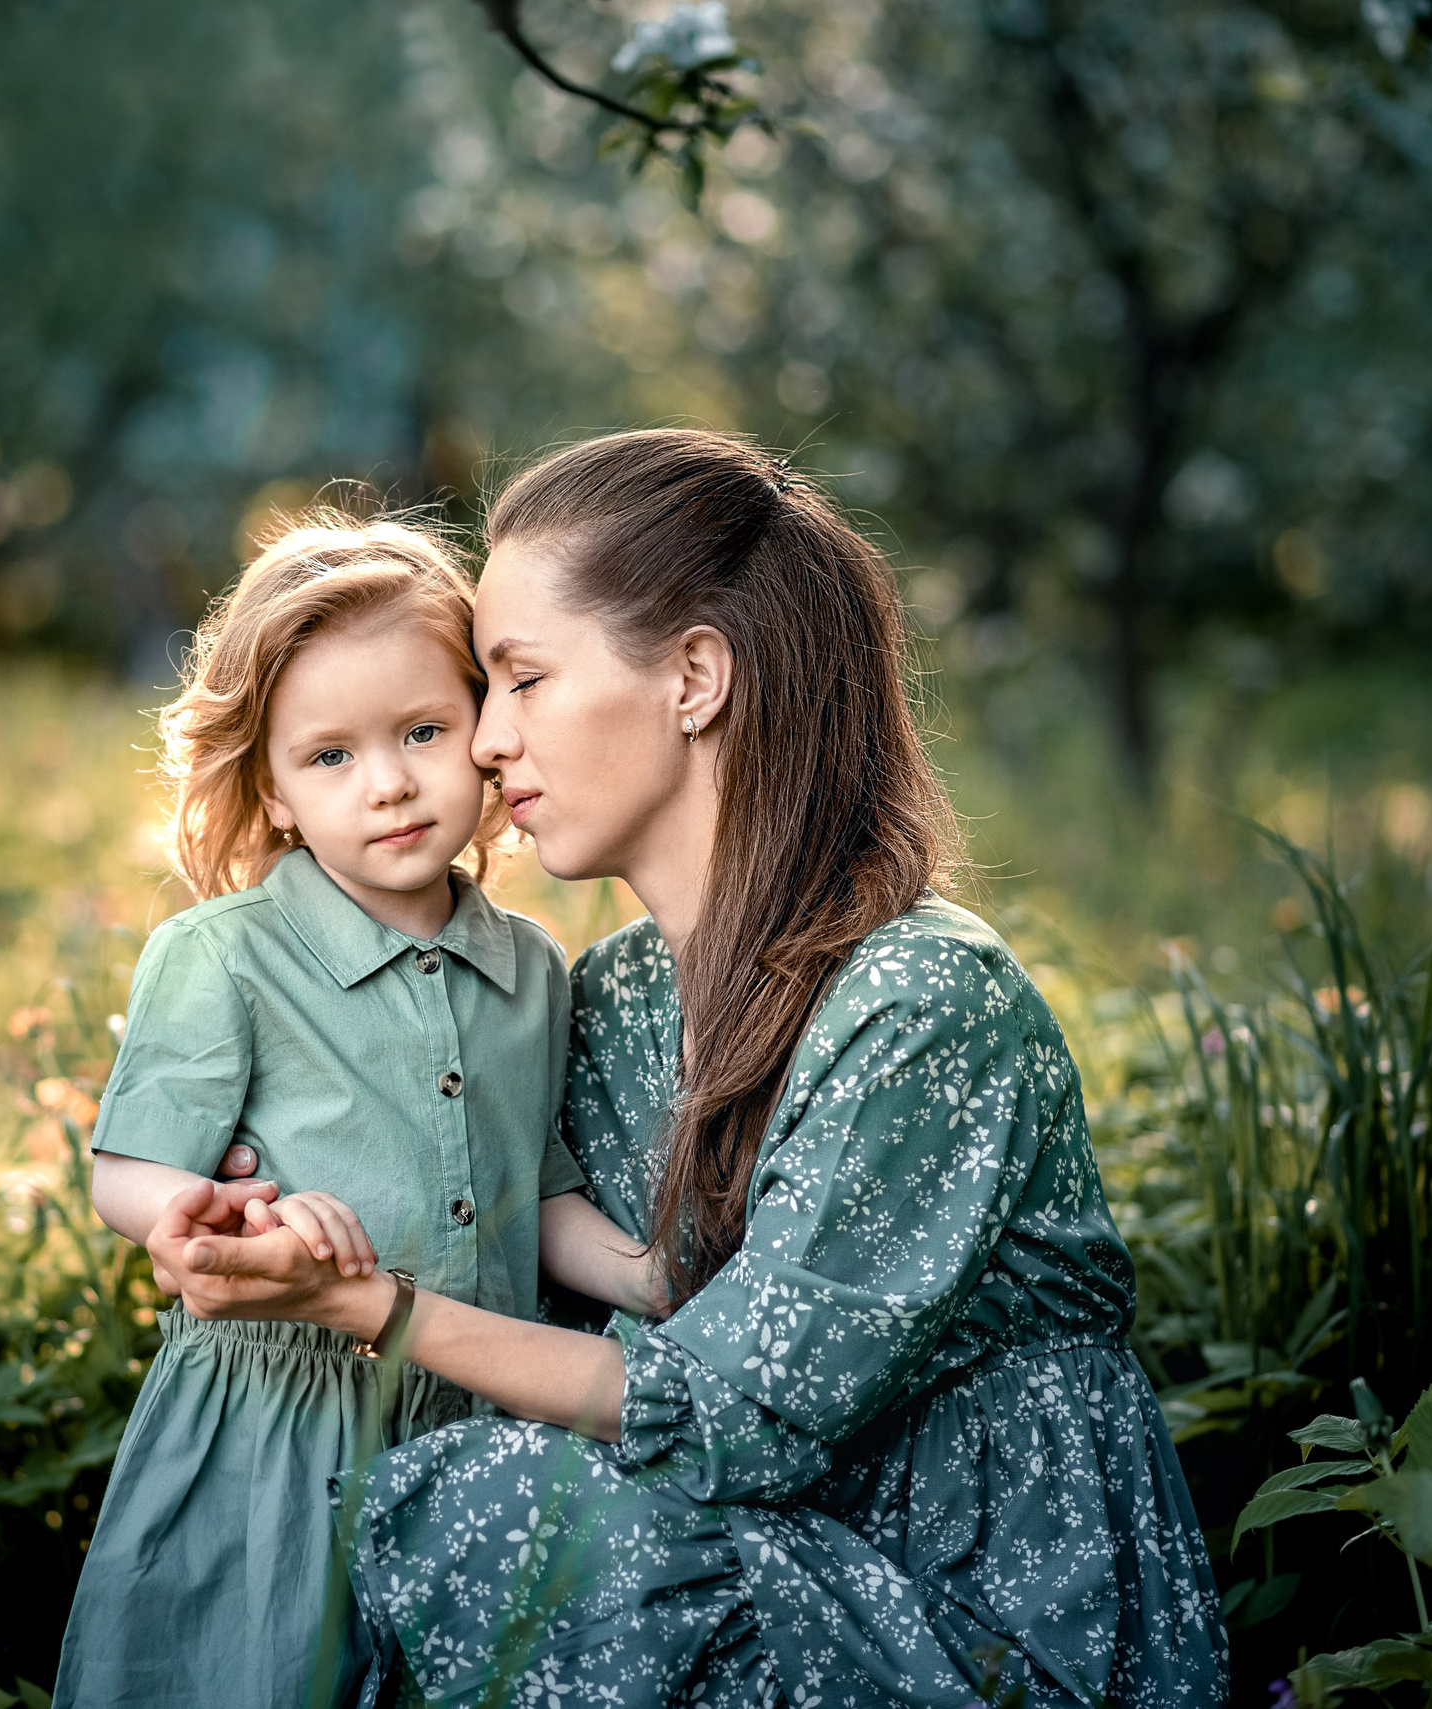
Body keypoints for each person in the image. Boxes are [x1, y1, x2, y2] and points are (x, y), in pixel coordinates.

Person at [146, 433, 1229, 1707]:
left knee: (497, 1509)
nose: (484, 744)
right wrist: (257, 1211)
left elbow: (722, 1415)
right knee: (441, 1512)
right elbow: (534, 1292)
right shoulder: (608, 995)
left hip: (986, 1629)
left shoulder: (920, 1003)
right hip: (753, 1562)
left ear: (695, 677)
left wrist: (368, 1305)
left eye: (523, 680)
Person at [55, 516, 661, 1709]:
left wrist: (660, 1276)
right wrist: (199, 1212)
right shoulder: (224, 956)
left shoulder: (532, 967)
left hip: (484, 1403)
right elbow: (124, 1169)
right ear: (273, 793)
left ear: (487, 735)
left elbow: (535, 1190)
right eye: (329, 756)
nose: (386, 781)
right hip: (280, 1426)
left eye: (423, 732)